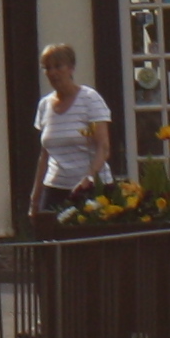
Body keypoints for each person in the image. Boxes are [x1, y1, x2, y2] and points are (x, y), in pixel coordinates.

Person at [29, 43, 113, 228]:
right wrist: (35, 196)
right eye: (47, 68)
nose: (53, 73)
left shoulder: (90, 99)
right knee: (49, 242)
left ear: (71, 68)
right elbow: (44, 155)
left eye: (58, 66)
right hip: (55, 187)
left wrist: (89, 178)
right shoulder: (44, 105)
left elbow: (103, 147)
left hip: (89, 187)